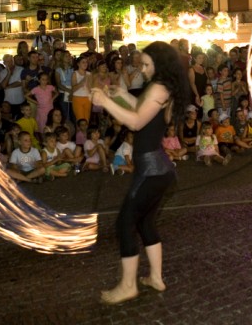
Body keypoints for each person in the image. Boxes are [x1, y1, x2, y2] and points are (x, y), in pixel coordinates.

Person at [90, 41, 188, 305]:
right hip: (159, 170)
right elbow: (139, 108)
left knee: (124, 223)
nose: (143, 70)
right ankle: (155, 278)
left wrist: (104, 102)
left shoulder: (158, 86)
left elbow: (135, 121)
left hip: (151, 171)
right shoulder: (162, 87)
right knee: (145, 223)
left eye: (146, 64)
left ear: (159, 62)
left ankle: (128, 286)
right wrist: (120, 93)